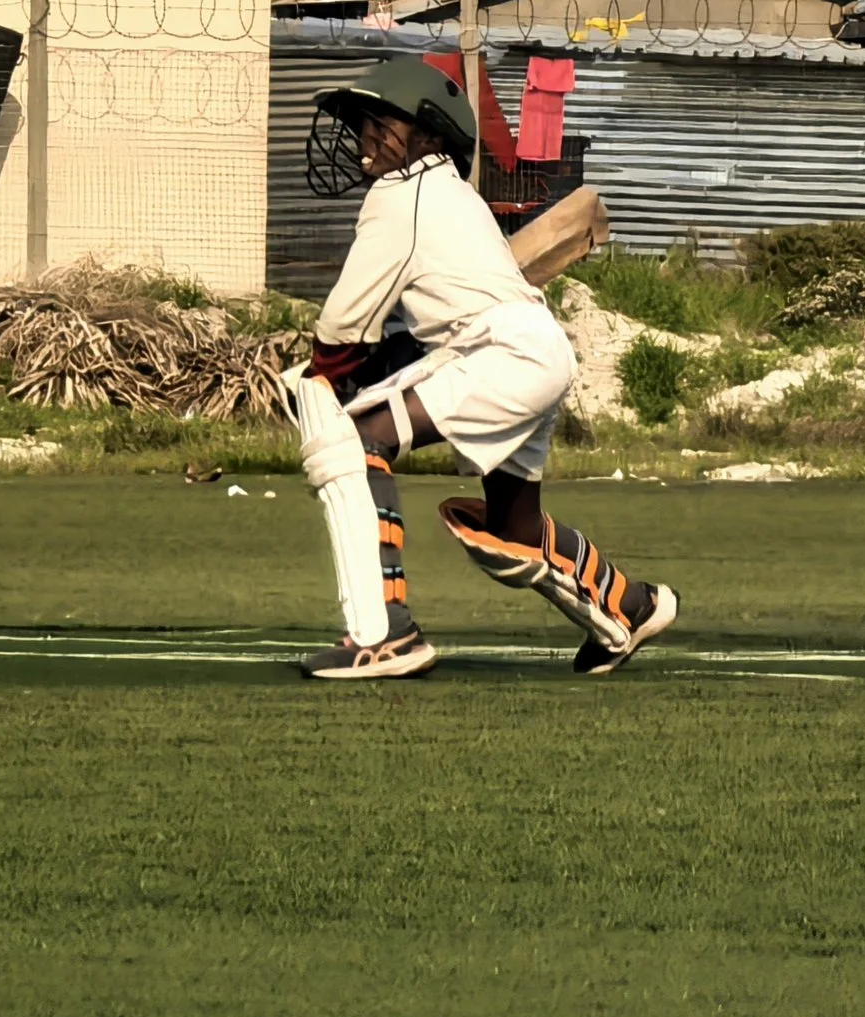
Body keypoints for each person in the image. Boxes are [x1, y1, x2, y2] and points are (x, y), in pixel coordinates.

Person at [280, 55, 677, 680]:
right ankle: (630, 606)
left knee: (353, 442)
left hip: (503, 352)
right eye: (363, 124)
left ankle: (383, 636)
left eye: (382, 122)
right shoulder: (450, 194)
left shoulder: (402, 194)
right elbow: (422, 326)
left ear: (431, 136)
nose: (364, 138)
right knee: (511, 534)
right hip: (535, 348)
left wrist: (321, 379)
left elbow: (340, 330)